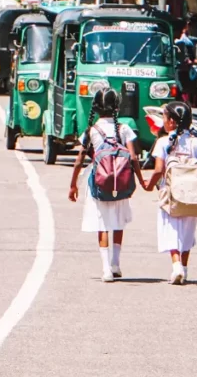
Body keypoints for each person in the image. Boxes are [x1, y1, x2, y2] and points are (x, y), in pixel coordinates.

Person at [68, 88, 146, 282]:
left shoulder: (92, 131)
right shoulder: (124, 129)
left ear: (95, 107)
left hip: (99, 183)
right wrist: (142, 180)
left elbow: (79, 160)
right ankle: (116, 264)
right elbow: (134, 157)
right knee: (118, 223)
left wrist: (73, 185)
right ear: (116, 107)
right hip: (121, 182)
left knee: (102, 225)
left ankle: (105, 270)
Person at [144, 101, 197, 285]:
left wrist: (148, 185)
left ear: (171, 122)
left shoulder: (163, 142)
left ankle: (176, 265)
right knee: (187, 231)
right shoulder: (196, 142)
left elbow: (158, 170)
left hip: (170, 194)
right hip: (193, 194)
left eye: (164, 117)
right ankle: (184, 270)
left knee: (171, 230)